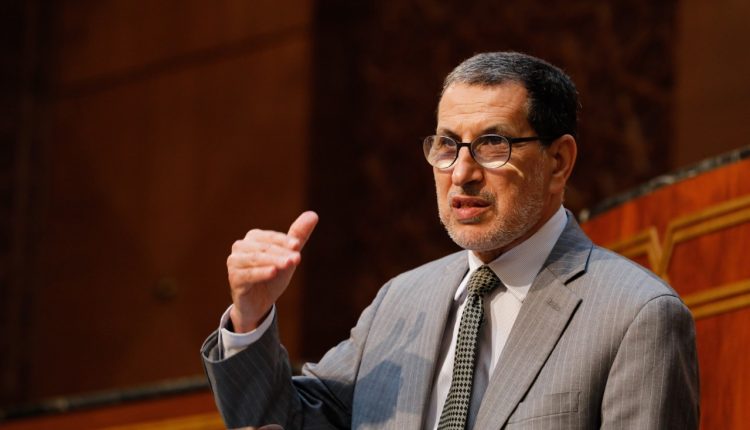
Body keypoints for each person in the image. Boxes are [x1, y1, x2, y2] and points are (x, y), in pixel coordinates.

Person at [201, 51, 700, 429]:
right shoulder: (401, 300)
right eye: (447, 145)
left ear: (559, 162)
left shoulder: (637, 316)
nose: (461, 173)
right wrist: (251, 316)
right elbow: (284, 420)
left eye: (492, 144)